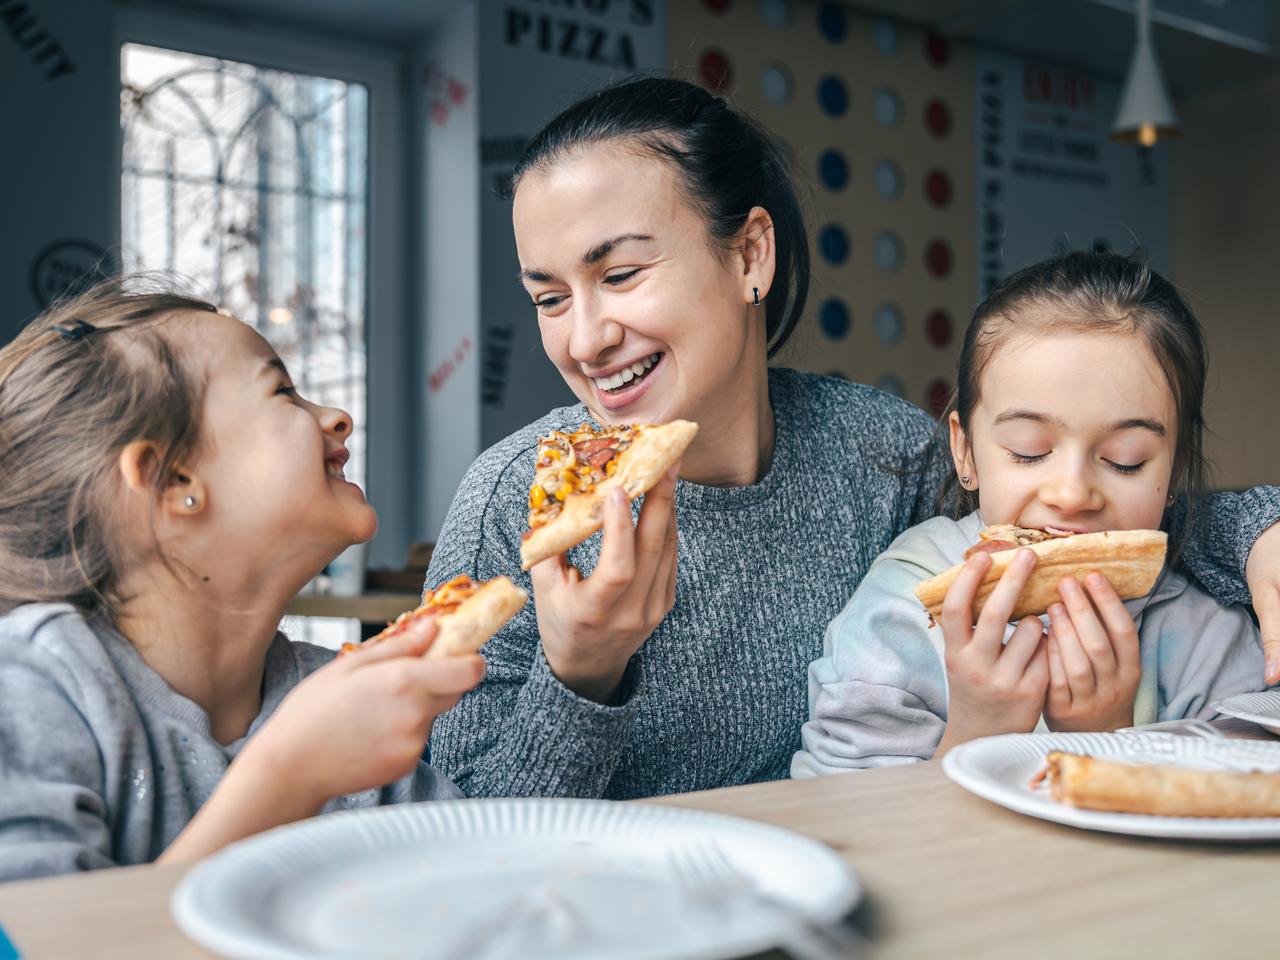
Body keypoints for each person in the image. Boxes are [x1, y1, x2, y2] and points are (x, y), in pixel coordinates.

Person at [426, 77, 1280, 799]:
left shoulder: (882, 456)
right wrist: (583, 675)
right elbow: (457, 832)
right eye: (549, 298)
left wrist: (1261, 533)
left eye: (618, 276)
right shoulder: (516, 501)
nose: (584, 339)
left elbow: (1087, 528)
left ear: (750, 254)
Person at [0, 278, 484, 881]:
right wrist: (291, 776)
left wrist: (584, 664)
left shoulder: (334, 693)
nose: (338, 417)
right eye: (283, 392)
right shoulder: (33, 689)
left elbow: (466, 893)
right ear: (174, 482)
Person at [793, 251, 1270, 775]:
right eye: (1028, 451)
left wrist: (1106, 740)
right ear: (966, 452)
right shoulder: (906, 602)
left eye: (1124, 460)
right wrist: (976, 734)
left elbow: (1240, 804)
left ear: (1175, 472)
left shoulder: (1205, 634)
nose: (1070, 493)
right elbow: (839, 810)